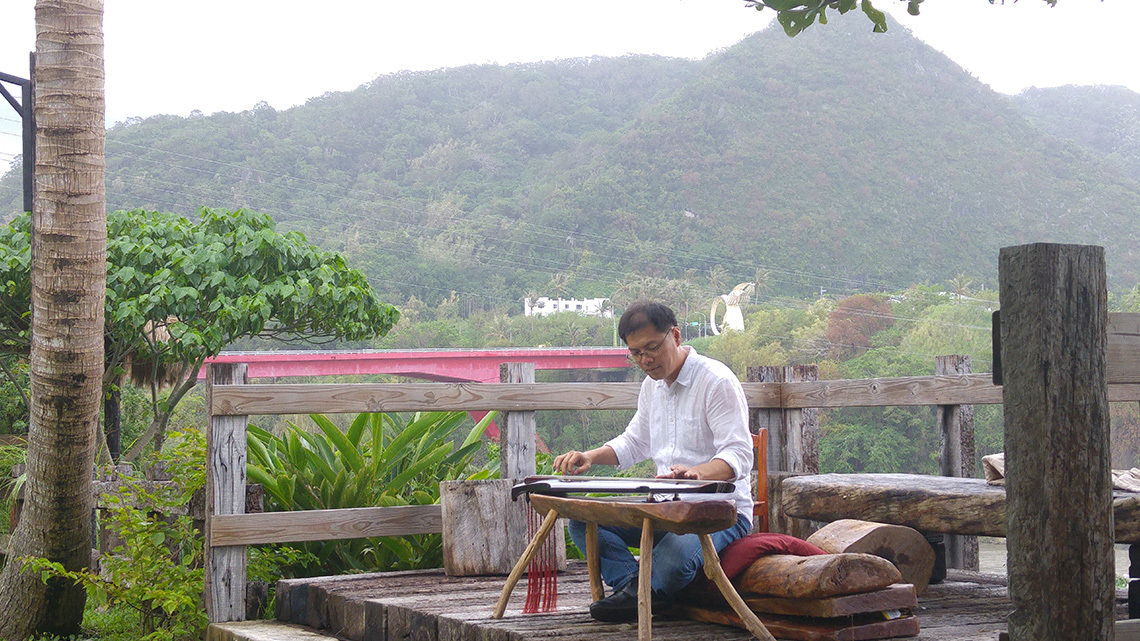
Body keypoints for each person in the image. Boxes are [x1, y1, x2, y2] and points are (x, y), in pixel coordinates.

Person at [552, 301, 754, 622]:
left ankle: (643, 592)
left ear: (674, 334)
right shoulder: (652, 387)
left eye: (651, 348)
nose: (645, 360)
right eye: (636, 353)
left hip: (716, 512)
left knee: (675, 558)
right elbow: (634, 443)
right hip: (664, 510)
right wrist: (588, 457)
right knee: (582, 522)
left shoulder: (716, 381)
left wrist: (696, 474)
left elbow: (739, 456)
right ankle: (639, 588)